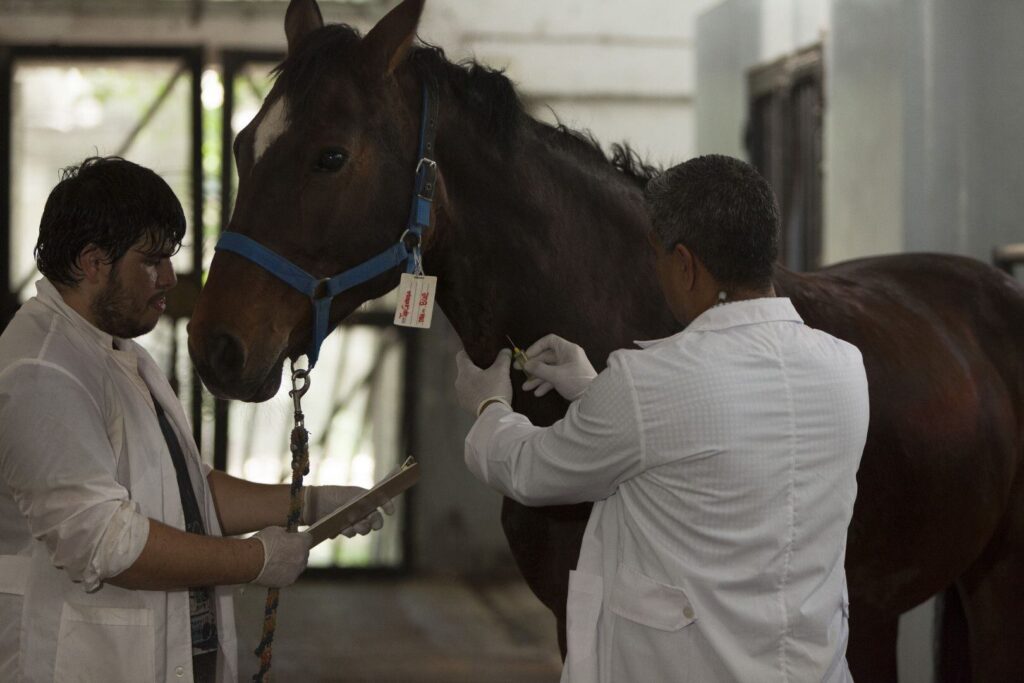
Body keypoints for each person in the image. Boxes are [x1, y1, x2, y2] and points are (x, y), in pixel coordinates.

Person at [455, 154, 869, 682]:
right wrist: (592, 389)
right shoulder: (844, 367)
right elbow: (715, 441)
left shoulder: (647, 383)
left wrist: (488, 404)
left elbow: (532, 470)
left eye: (657, 259)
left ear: (686, 264)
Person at [0, 157, 390, 682]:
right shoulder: (43, 371)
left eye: (170, 259)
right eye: (151, 261)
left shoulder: (120, 353)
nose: (169, 279)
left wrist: (310, 502)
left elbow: (191, 492)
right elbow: (102, 541)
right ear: (93, 263)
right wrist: (253, 559)